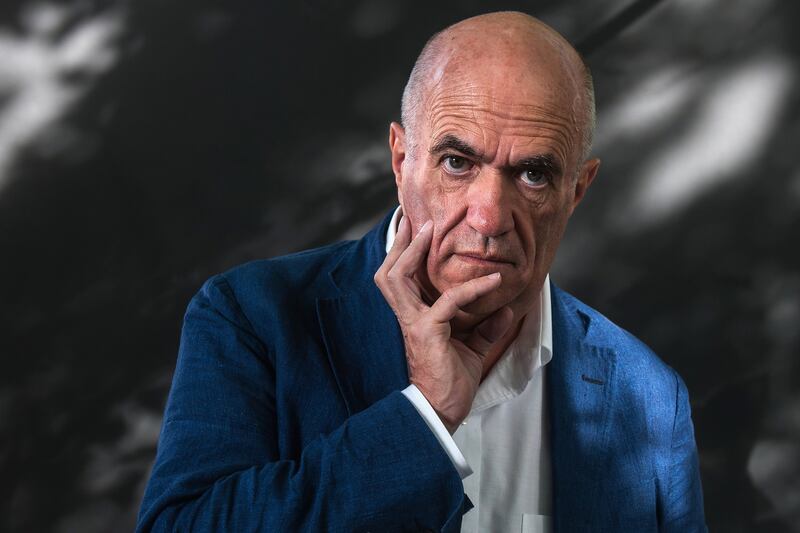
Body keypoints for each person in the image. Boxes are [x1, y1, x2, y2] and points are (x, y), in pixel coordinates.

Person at [136, 11, 706, 533]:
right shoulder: (252, 317)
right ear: (400, 160)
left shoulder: (651, 397)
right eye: (458, 162)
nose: (488, 218)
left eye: (533, 175)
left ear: (577, 191)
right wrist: (424, 417)